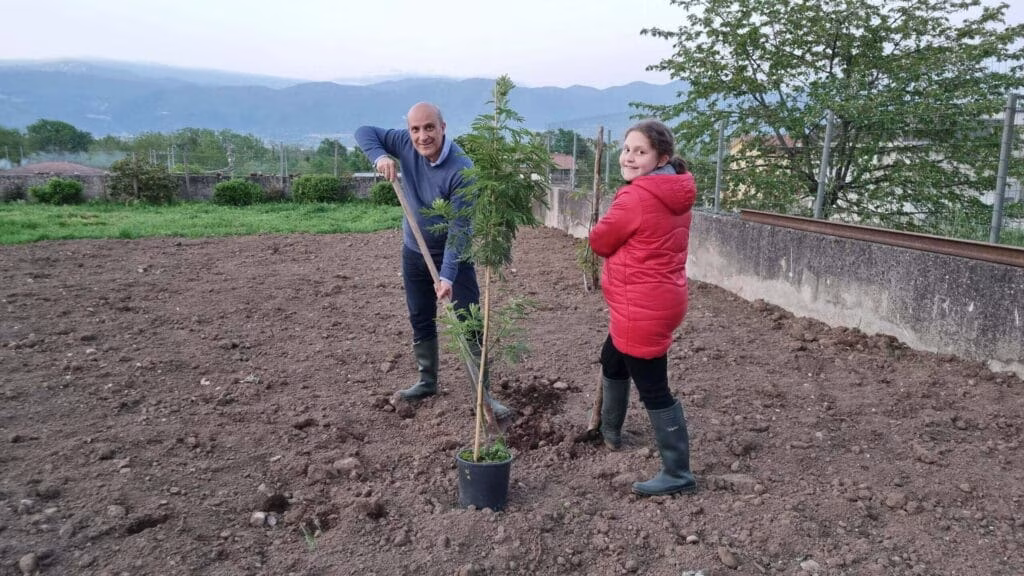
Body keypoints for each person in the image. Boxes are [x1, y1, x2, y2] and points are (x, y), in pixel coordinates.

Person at [354, 102, 511, 421]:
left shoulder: (461, 169)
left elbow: (460, 230)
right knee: (420, 315)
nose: (422, 136)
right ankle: (427, 382)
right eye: (415, 129)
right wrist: (380, 156)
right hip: (414, 250)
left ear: (443, 127)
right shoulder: (402, 144)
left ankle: (483, 395)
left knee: (468, 322)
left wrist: (448, 276)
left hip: (454, 254)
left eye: (429, 128)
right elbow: (364, 132)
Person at [589, 119, 698, 496]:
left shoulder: (636, 196)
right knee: (612, 356)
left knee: (654, 386)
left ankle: (678, 473)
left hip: (643, 303)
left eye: (641, 152)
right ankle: (610, 431)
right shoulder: (676, 189)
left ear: (661, 157)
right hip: (660, 296)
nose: (630, 157)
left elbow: (600, 241)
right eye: (627, 149)